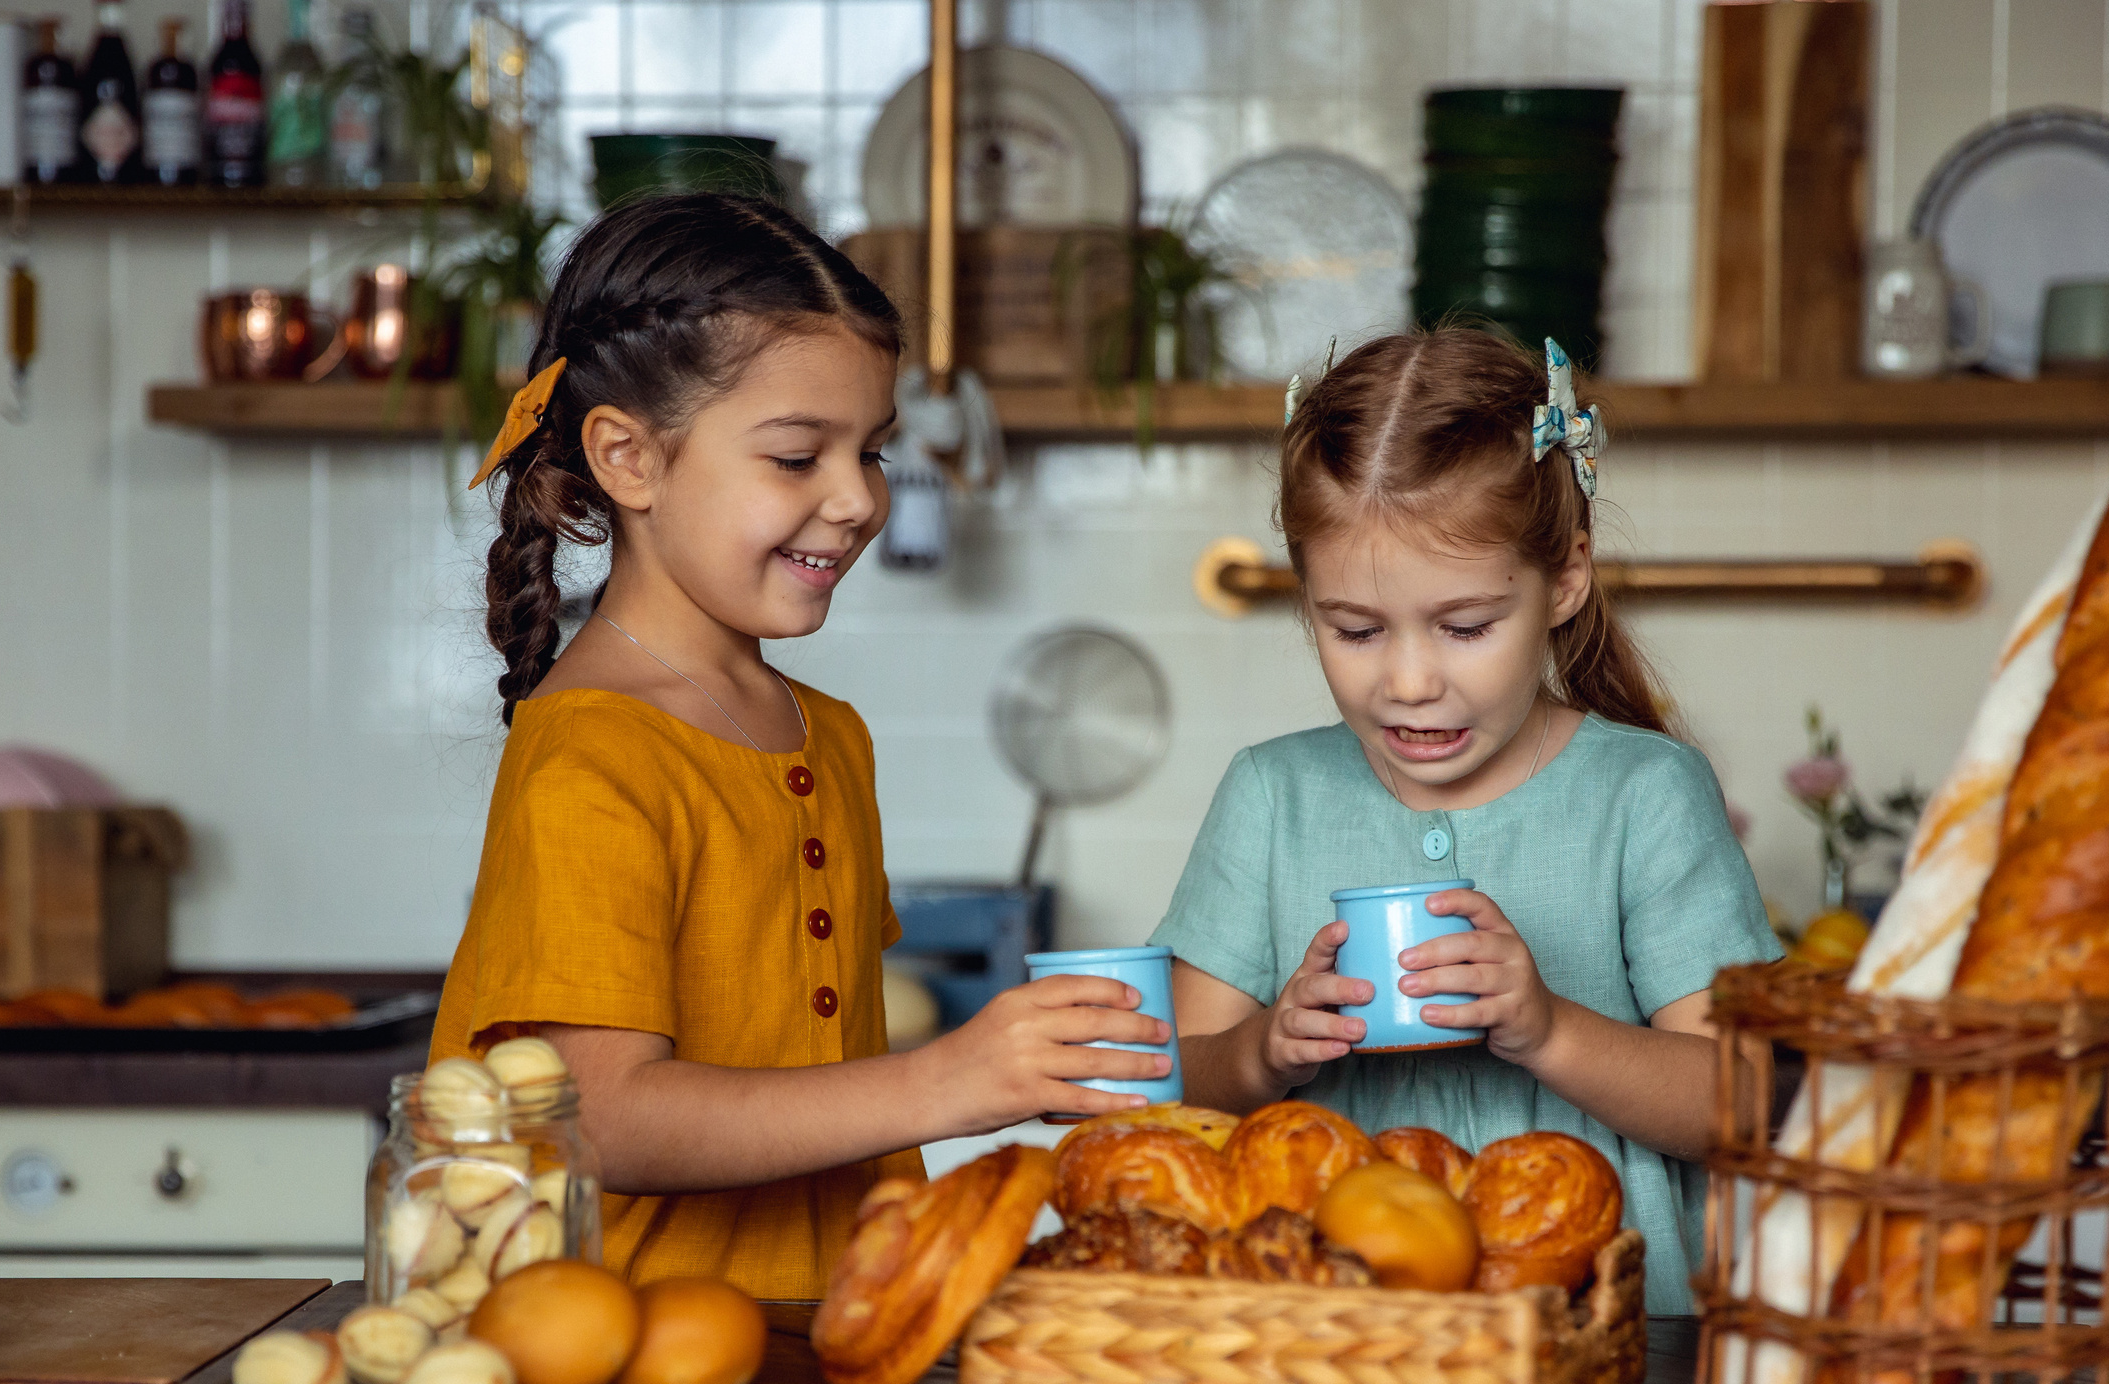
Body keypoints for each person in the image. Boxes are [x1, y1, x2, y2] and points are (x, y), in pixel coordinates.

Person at [433, 193, 1168, 1300]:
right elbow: (603, 1119)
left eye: (869, 450)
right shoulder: (592, 756)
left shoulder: (828, 735)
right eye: (795, 457)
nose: (858, 498)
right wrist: (948, 1083)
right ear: (628, 459)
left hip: (828, 1331)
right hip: (632, 1367)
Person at [1157, 328, 1779, 1311]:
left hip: (1611, 1338)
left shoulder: (1645, 794)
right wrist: (1258, 1052)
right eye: (1354, 630)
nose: (1409, 683)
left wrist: (1545, 1029)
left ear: (1564, 579)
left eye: (1464, 627)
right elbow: (1171, 1082)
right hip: (1327, 1336)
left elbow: (1739, 1101)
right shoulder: (1272, 795)